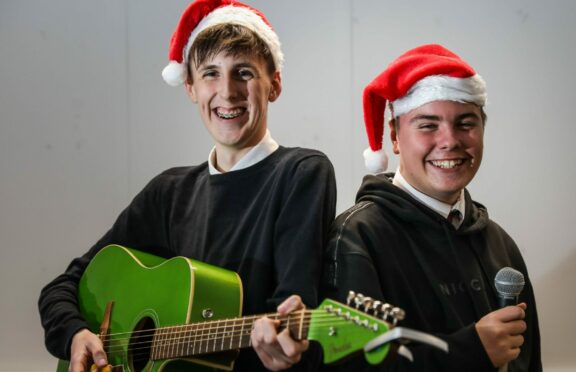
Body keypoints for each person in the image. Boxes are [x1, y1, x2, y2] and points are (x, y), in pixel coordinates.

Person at [38, 1, 336, 371]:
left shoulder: (300, 173)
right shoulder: (169, 192)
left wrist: (283, 342)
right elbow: (61, 289)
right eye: (211, 73)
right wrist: (76, 335)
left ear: (274, 85)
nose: (227, 92)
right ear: (190, 88)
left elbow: (292, 304)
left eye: (243, 72)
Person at [321, 44, 541, 371]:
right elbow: (350, 365)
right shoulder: (357, 238)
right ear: (394, 136)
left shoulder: (499, 243)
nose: (450, 140)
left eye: (466, 123)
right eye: (428, 125)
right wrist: (470, 351)